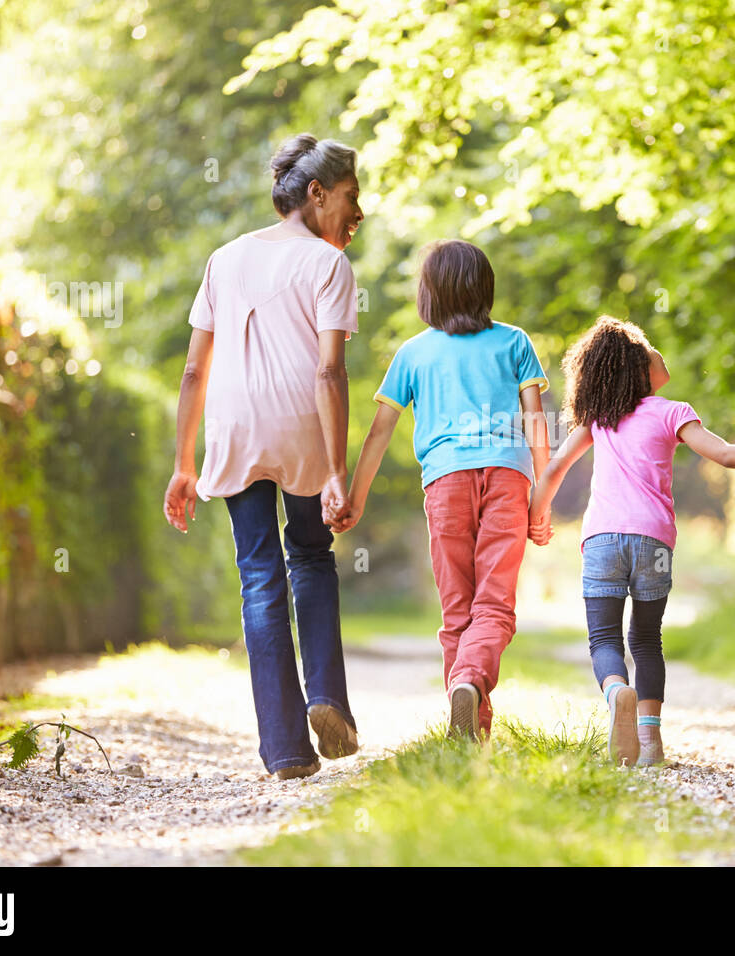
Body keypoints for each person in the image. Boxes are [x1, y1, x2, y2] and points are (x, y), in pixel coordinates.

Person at [527, 317, 735, 767]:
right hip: (653, 541)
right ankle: (649, 743)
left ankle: (616, 694)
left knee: (604, 639)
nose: (657, 352)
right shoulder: (673, 412)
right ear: (636, 367)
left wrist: (537, 516)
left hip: (601, 541)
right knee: (647, 640)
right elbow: (727, 455)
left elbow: (553, 470)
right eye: (647, 348)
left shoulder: (599, 421)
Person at [163, 134, 365, 780]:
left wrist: (183, 462)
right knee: (310, 554)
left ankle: (283, 749)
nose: (355, 215)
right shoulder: (328, 266)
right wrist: (337, 471)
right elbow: (330, 373)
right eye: (350, 200)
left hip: (232, 427)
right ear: (316, 193)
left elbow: (195, 371)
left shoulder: (224, 259)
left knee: (259, 574)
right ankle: (327, 696)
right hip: (299, 425)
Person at [327, 239, 551, 739]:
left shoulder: (413, 352)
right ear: (484, 288)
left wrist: (355, 498)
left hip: (445, 480)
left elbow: (380, 430)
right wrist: (543, 498)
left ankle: (469, 727)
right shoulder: (514, 341)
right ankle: (470, 692)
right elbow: (538, 424)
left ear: (428, 295)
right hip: (509, 477)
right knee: (494, 606)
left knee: (458, 610)